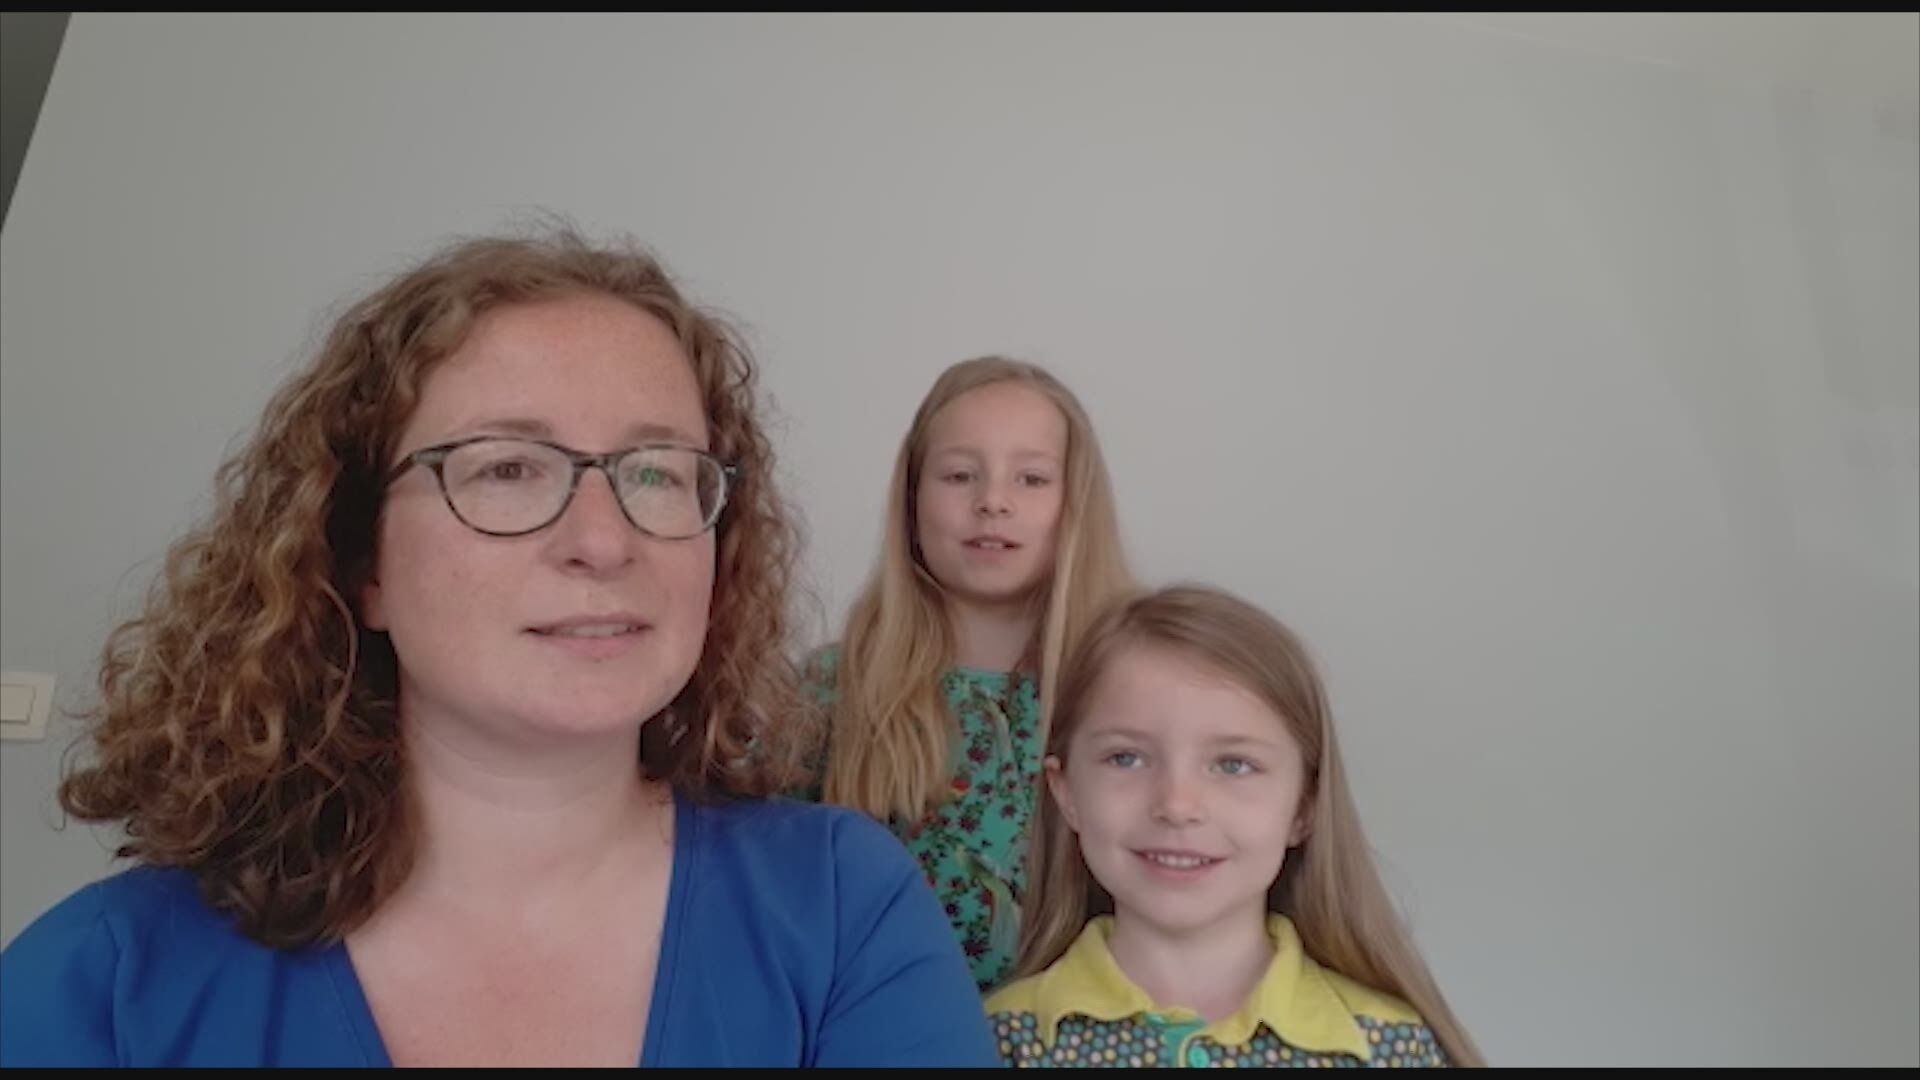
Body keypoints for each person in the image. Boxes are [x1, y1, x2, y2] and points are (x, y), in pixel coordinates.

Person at [0, 222, 1000, 1068]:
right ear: (360, 559)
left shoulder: (843, 909)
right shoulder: (102, 984)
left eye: (657, 472)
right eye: (509, 468)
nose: (604, 541)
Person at [985, 585, 1483, 1067]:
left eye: (1233, 764)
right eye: (1127, 758)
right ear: (1066, 792)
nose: (1177, 805)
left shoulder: (1393, 1049)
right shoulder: (999, 1042)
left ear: (1305, 805)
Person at [797, 356, 1132, 994]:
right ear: (912, 498)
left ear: (1076, 503)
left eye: (1032, 478)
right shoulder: (834, 689)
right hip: (888, 1025)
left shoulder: (1131, 685)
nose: (993, 502)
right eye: (959, 475)